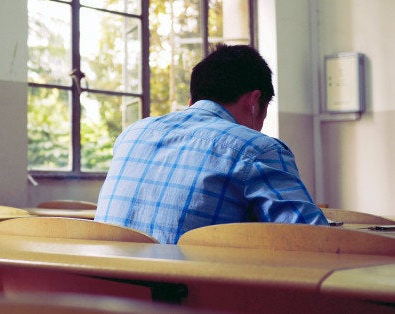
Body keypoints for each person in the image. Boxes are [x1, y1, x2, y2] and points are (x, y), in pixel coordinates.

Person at [94, 44, 328, 244]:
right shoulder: (257, 149)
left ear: (192, 101)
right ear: (255, 101)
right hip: (189, 294)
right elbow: (315, 241)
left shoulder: (131, 135)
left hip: (105, 292)